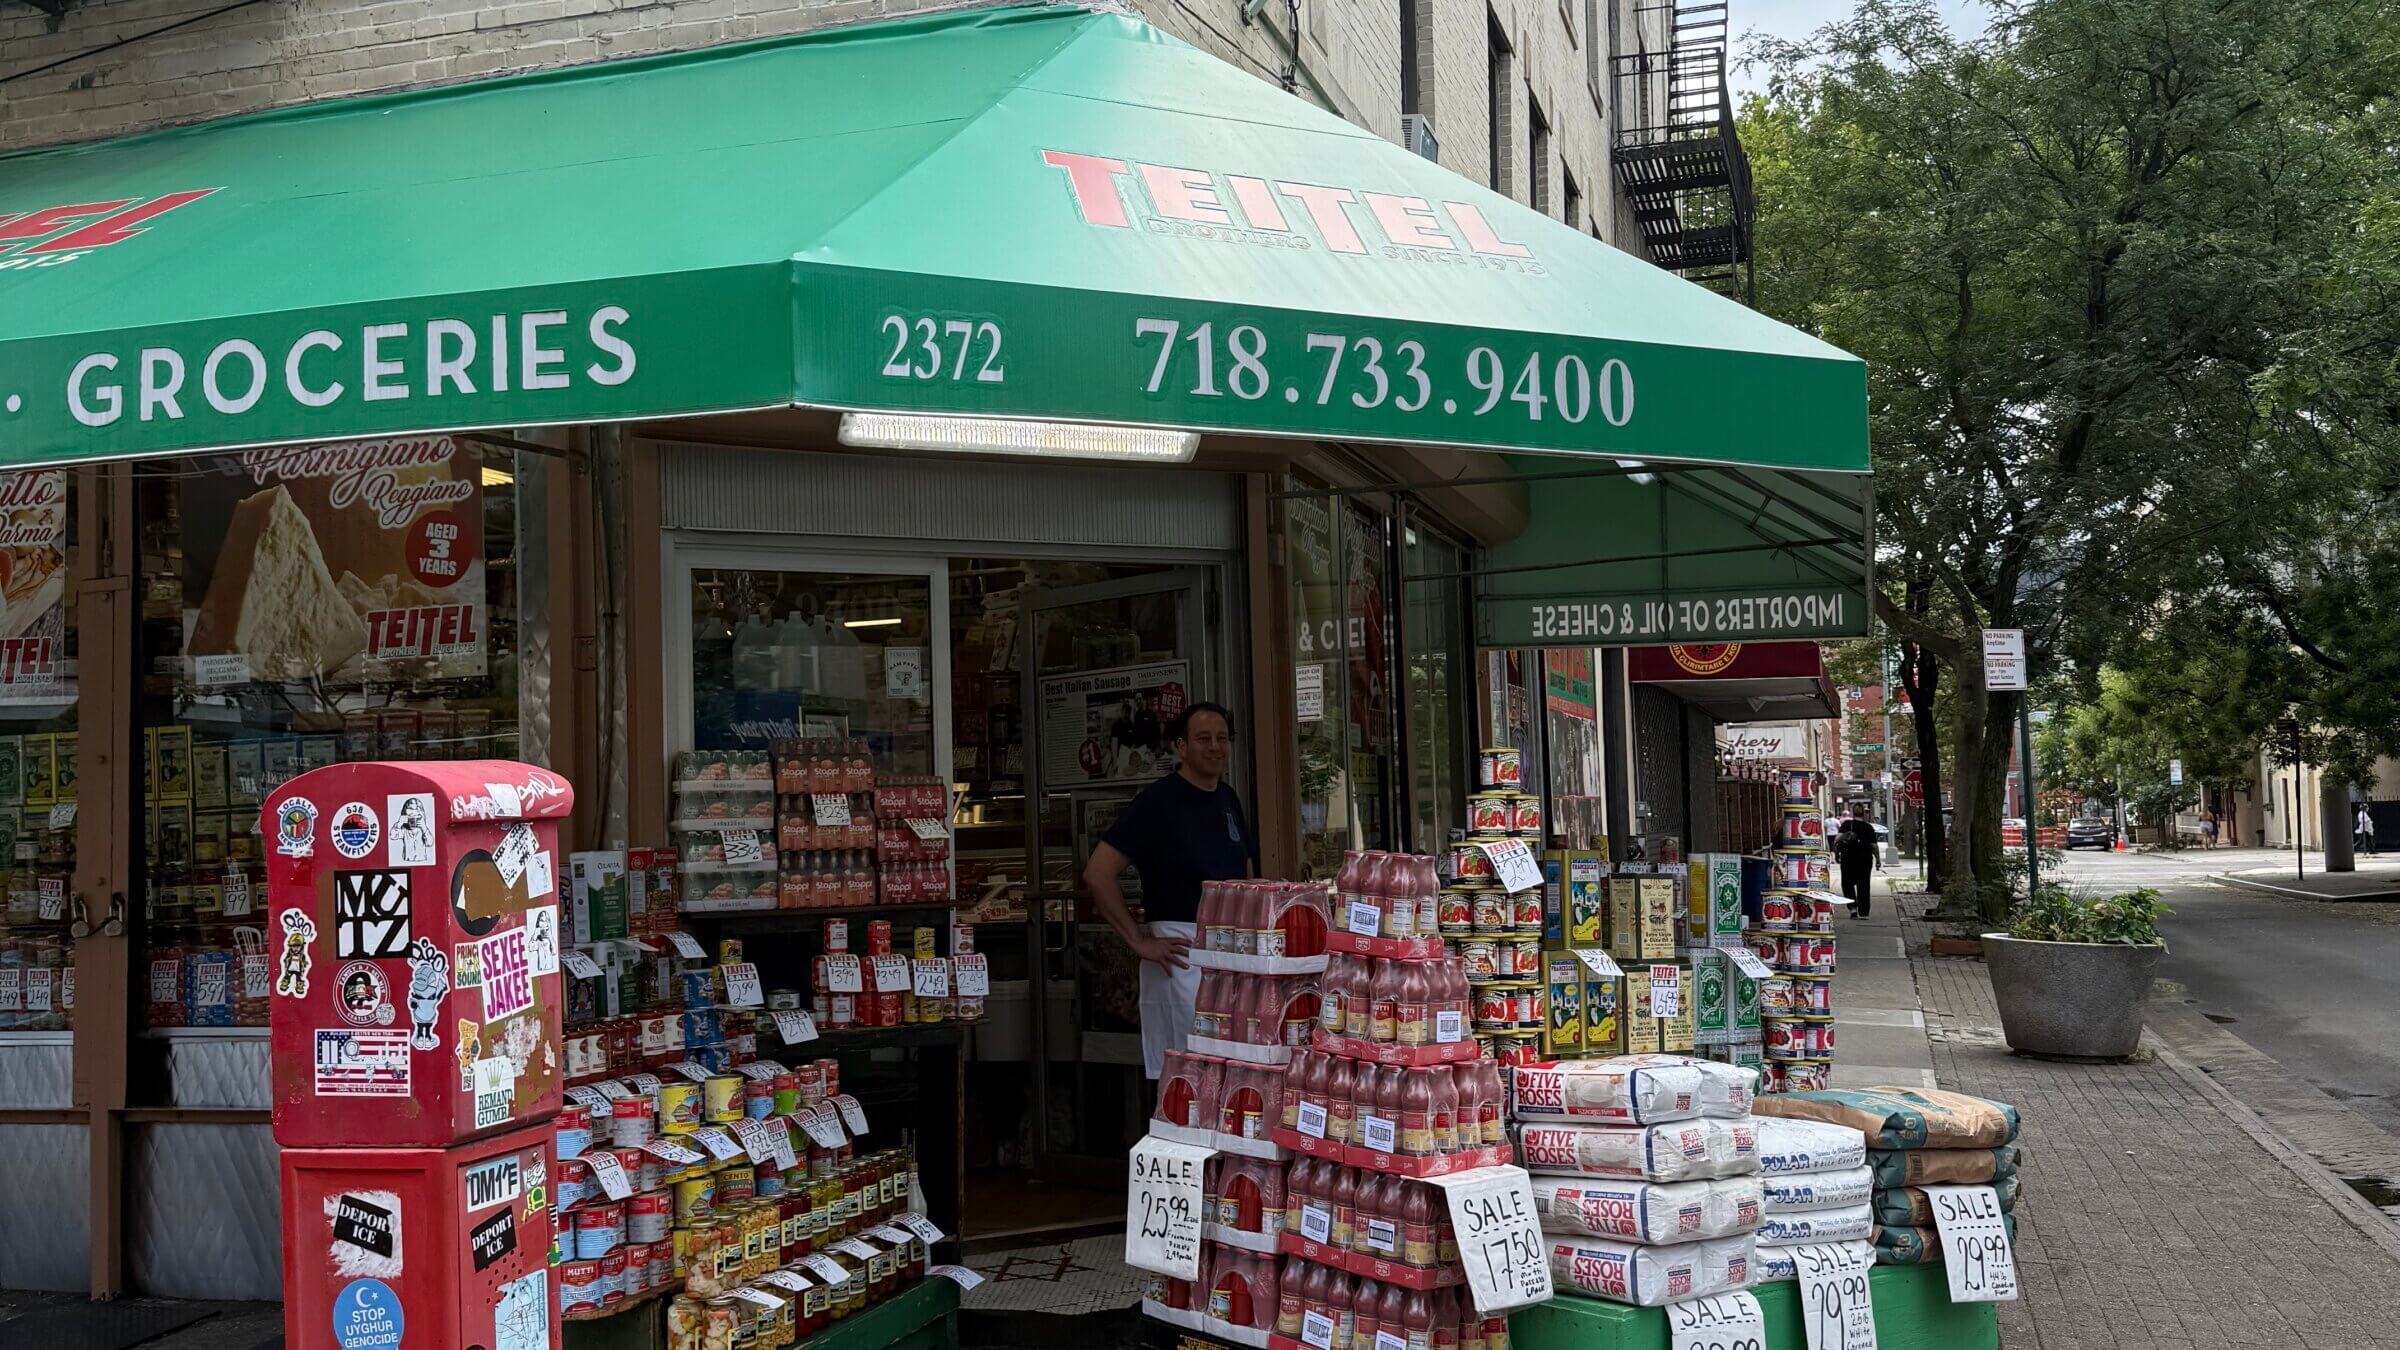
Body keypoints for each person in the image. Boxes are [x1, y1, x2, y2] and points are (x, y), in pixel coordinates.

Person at [1083, 702, 1258, 1078]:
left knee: (1233, 1075)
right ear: (1181, 746)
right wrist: (1137, 940)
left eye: (1222, 739)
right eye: (1203, 739)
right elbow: (1098, 873)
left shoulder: (1229, 799)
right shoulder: (1157, 802)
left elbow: (1246, 872)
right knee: (1188, 1079)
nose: (1215, 747)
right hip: (1179, 954)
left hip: (1232, 955)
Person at [1834, 806, 1879, 918]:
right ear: (1864, 814)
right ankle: (1864, 911)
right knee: (1864, 884)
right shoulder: (1868, 827)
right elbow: (1874, 846)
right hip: (1865, 859)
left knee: (1847, 884)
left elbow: (1837, 840)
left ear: (1853, 813)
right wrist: (1878, 860)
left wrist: (1836, 854)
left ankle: (1853, 908)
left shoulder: (1846, 825)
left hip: (1848, 858)